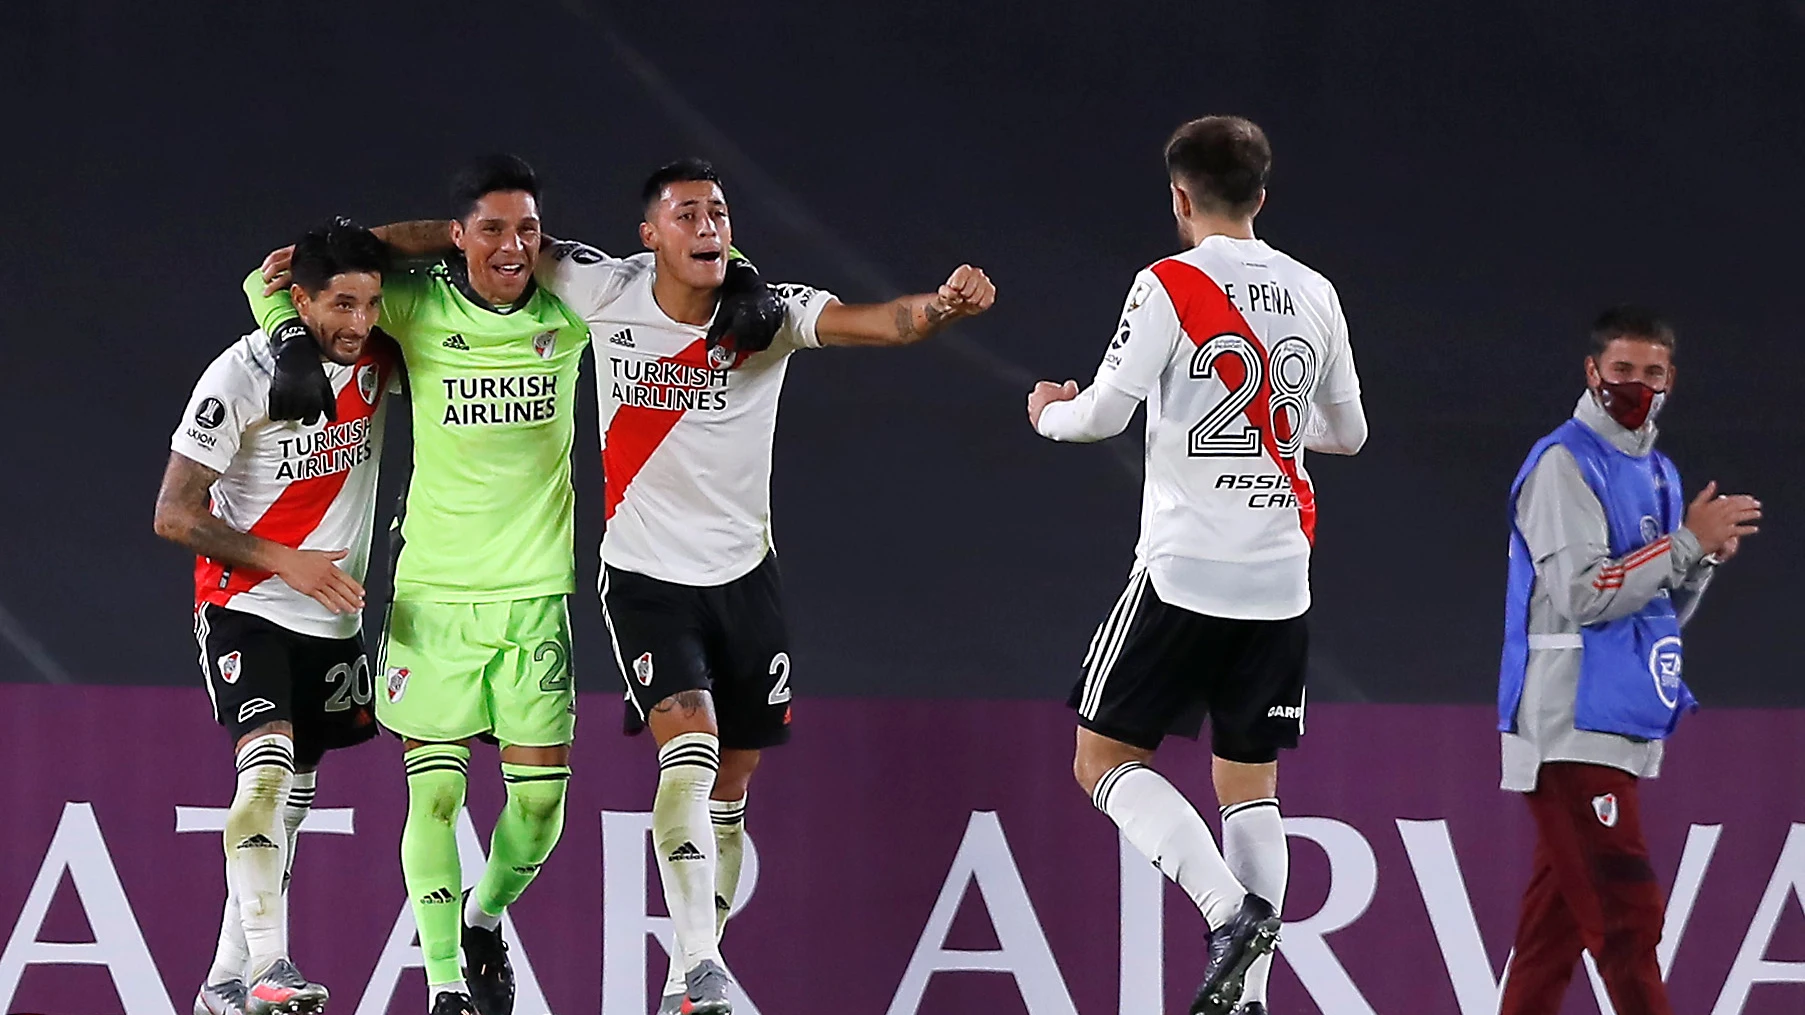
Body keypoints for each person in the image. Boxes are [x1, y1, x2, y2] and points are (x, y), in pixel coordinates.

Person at [537, 157, 993, 1014]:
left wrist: (941, 306)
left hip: (745, 579)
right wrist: (365, 248)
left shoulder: (769, 315)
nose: (707, 225)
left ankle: (689, 975)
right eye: (686, 213)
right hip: (644, 577)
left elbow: (885, 323)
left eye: (717, 211)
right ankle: (698, 964)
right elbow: (497, 239)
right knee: (692, 750)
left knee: (731, 789)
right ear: (650, 236)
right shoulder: (602, 289)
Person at [1027, 116, 1366, 1015]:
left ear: (1179, 199)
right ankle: (1247, 1000)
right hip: (1279, 580)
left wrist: (1047, 412)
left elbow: (1102, 414)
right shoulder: (1314, 290)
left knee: (1100, 760)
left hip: (1184, 572)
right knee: (1249, 783)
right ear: (1261, 195)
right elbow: (1349, 432)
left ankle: (1228, 912)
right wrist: (1276, 433)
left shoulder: (1168, 283)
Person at [156, 220, 397, 1015]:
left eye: (369, 303)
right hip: (246, 602)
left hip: (330, 620)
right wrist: (283, 558)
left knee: (293, 797)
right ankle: (271, 961)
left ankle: (227, 980)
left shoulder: (380, 355)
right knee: (261, 772)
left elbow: (456, 243)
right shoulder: (240, 374)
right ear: (297, 301)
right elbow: (173, 513)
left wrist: (368, 239)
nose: (357, 323)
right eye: (338, 304)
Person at [1495, 307, 1759, 1015]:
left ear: (1670, 378)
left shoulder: (1661, 472)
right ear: (1591, 372)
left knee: (1549, 939)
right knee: (1626, 918)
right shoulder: (1562, 463)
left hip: (1623, 719)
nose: (1634, 384)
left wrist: (1696, 562)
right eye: (1621, 370)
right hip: (1567, 719)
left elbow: (1657, 613)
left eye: (1650, 372)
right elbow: (1581, 595)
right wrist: (1680, 547)